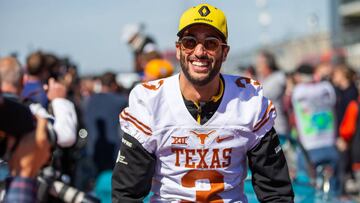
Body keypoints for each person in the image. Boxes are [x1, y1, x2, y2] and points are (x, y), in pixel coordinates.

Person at [112, 3, 294, 202]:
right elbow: (126, 194)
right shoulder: (151, 102)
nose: (199, 52)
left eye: (211, 43)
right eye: (190, 42)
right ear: (179, 50)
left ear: (224, 52)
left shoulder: (248, 102)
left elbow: (276, 193)